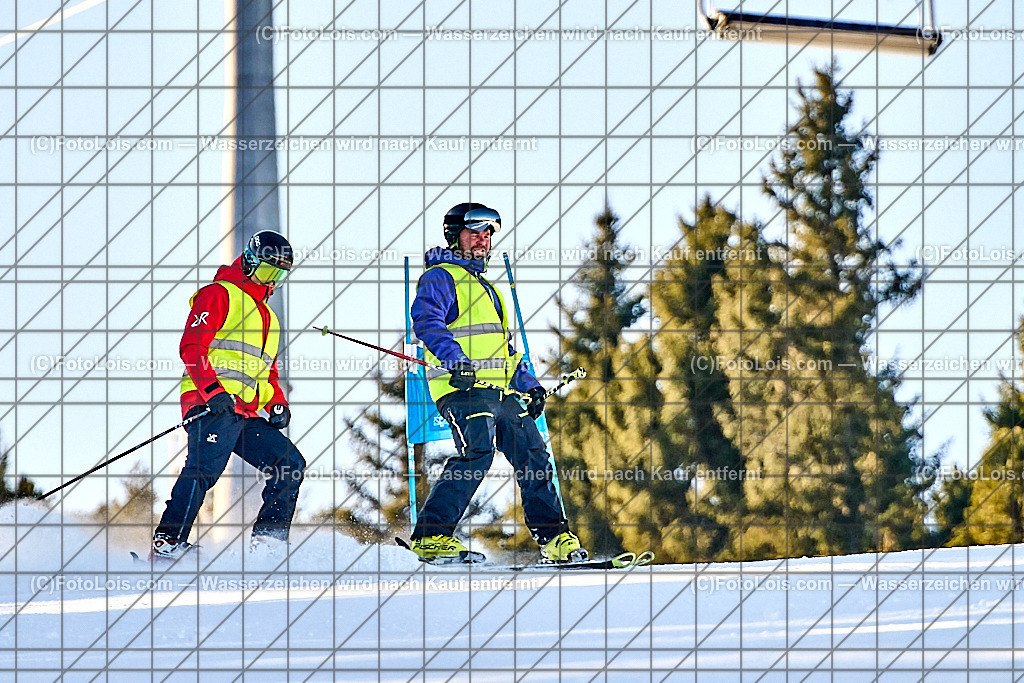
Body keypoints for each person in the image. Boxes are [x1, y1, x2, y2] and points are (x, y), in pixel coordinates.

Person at [409, 203, 586, 564]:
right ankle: (430, 536)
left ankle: (554, 538)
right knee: (477, 453)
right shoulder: (440, 276)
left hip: (501, 392)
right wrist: (456, 361)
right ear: (454, 235)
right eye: (475, 232)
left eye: (488, 233)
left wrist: (531, 385)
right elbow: (428, 323)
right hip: (462, 388)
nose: (483, 239)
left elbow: (505, 350)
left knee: (534, 455)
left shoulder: (489, 289)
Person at [150, 231, 306, 561]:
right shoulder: (220, 295)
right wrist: (212, 393)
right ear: (250, 262)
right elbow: (192, 347)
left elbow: (266, 370)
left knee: (289, 464)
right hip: (210, 405)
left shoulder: (268, 318)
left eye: (279, 275)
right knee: (203, 469)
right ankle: (168, 541)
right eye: (267, 272)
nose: (272, 281)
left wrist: (276, 401)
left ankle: (268, 545)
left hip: (244, 413)